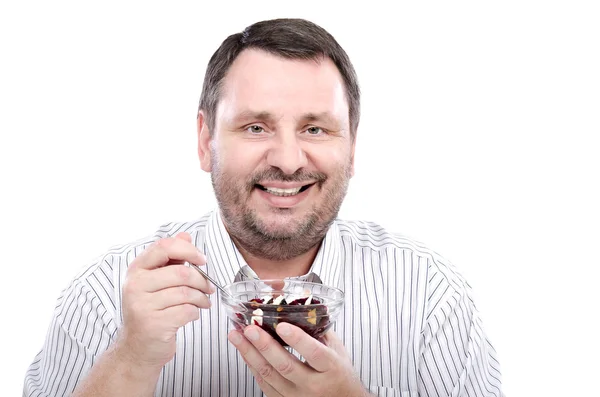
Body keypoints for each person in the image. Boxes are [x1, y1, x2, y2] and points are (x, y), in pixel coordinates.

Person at [23, 18, 503, 397]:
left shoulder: (429, 297)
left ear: (352, 147)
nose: (288, 160)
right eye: (255, 127)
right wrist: (130, 360)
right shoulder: (105, 297)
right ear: (205, 139)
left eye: (315, 128)